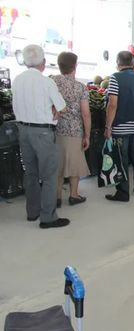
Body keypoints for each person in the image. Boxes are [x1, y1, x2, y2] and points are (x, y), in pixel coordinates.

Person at [12, 44, 69, 228]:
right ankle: (48, 217)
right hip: (43, 132)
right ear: (44, 62)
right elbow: (62, 107)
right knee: (49, 175)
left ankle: (32, 212)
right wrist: (54, 107)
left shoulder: (17, 80)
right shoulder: (47, 82)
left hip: (22, 130)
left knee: (30, 173)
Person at [104, 51, 134, 202]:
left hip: (119, 128)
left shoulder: (115, 78)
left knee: (121, 160)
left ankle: (123, 193)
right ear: (132, 63)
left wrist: (108, 127)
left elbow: (112, 105)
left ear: (118, 63)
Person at [52, 52, 91, 207]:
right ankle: (74, 195)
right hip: (74, 130)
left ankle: (57, 197)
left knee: (57, 165)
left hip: (54, 129)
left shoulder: (52, 82)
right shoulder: (80, 87)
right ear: (75, 66)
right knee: (74, 164)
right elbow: (86, 113)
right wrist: (87, 135)